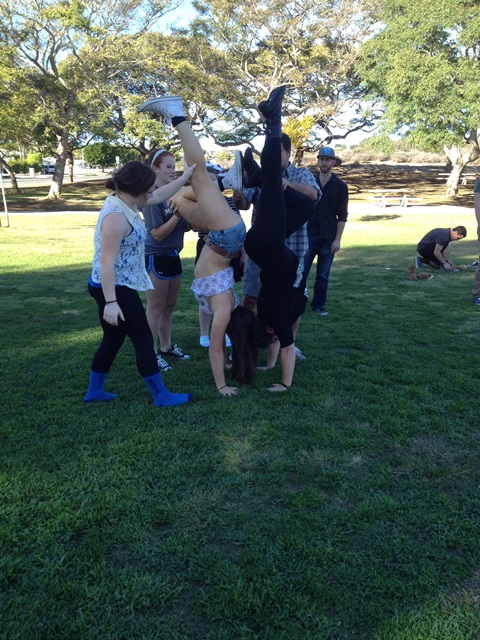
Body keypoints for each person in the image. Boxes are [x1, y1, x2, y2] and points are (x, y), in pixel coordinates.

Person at [138, 95, 253, 396]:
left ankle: (224, 182)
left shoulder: (227, 306)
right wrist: (221, 386)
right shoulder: (225, 309)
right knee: (198, 174)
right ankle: (177, 115)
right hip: (225, 235)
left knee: (177, 196)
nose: (221, 333)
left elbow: (220, 349)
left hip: (220, 236)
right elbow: (215, 349)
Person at [84, 161, 192, 407]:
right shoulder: (115, 217)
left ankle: (94, 391)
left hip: (112, 285)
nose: (151, 195)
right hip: (114, 288)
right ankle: (162, 396)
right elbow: (106, 262)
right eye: (148, 191)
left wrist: (185, 176)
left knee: (112, 339)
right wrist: (111, 303)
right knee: (144, 339)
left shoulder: (127, 200)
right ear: (135, 190)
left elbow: (160, 194)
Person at [243, 85, 315, 391]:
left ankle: (273, 122)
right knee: (307, 207)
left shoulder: (277, 316)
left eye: (273, 336)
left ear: (271, 331)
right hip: (267, 246)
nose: (279, 337)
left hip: (269, 246)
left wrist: (285, 385)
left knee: (275, 182)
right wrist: (270, 365)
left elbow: (287, 346)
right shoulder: (273, 315)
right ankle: (259, 177)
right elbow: (279, 342)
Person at [233, 133, 320, 359]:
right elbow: (243, 202)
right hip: (262, 253)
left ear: (288, 153)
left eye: (276, 152)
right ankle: (243, 345)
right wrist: (238, 196)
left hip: (292, 254)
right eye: (267, 153)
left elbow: (313, 194)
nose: (270, 157)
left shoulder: (301, 174)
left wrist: (289, 185)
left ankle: (288, 342)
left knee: (293, 304)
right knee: (250, 298)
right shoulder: (262, 174)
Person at [142, 148, 191, 372]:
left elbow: (185, 226)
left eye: (174, 166)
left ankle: (166, 347)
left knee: (169, 307)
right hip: (157, 256)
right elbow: (157, 235)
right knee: (155, 308)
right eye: (168, 167)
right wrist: (178, 215)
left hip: (174, 255)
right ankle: (150, 354)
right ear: (155, 168)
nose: (173, 171)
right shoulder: (151, 196)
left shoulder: (175, 194)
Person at [303, 146, 348, 316]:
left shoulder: (340, 186)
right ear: (318, 161)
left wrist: (337, 239)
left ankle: (318, 306)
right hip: (308, 235)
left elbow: (342, 215)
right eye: (321, 159)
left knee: (323, 274)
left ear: (333, 162)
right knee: (302, 272)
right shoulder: (309, 184)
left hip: (328, 237)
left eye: (327, 160)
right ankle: (298, 303)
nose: (324, 162)